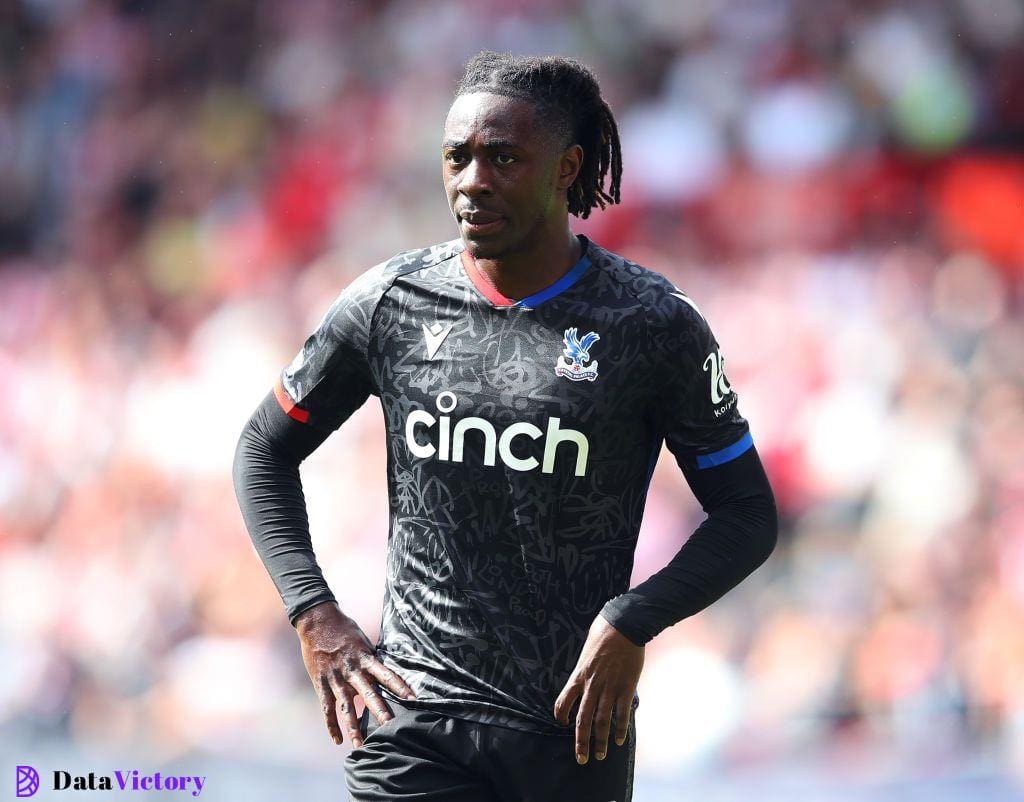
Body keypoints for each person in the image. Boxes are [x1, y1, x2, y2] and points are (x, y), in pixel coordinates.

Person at [233, 51, 777, 802]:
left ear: (567, 167)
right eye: (457, 157)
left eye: (503, 157)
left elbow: (747, 512)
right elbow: (264, 448)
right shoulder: (390, 302)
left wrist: (635, 619)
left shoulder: (652, 326)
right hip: (411, 724)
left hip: (571, 733)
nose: (472, 181)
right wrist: (312, 611)